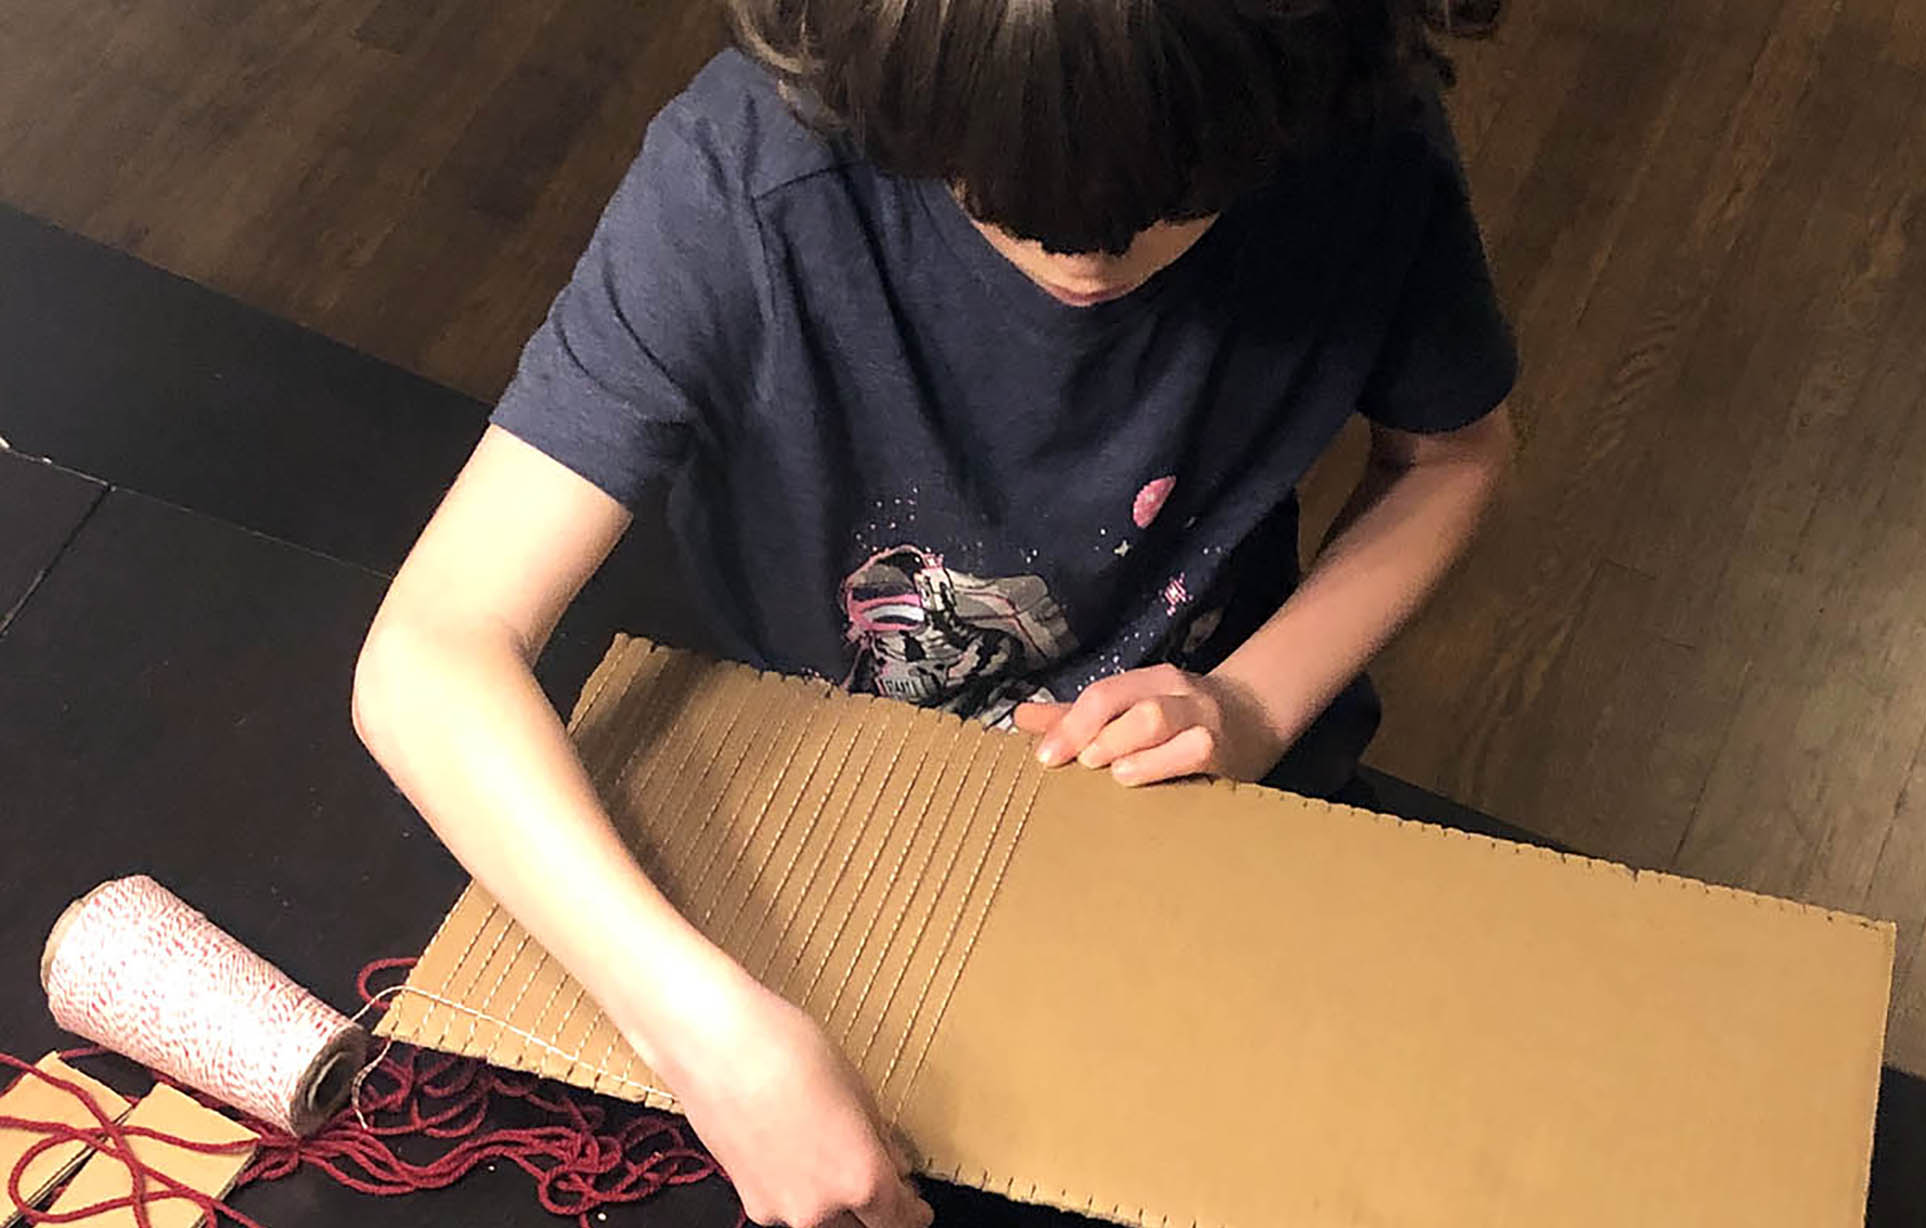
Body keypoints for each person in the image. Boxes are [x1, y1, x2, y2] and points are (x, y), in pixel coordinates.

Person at [350, 1, 1519, 1224]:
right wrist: (704, 1036)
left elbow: (1449, 458)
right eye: (1015, 203)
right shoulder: (747, 180)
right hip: (857, 820)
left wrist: (1254, 702)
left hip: (1209, 823)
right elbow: (433, 648)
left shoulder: (1354, 132)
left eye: (1174, 203)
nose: (1092, 262)